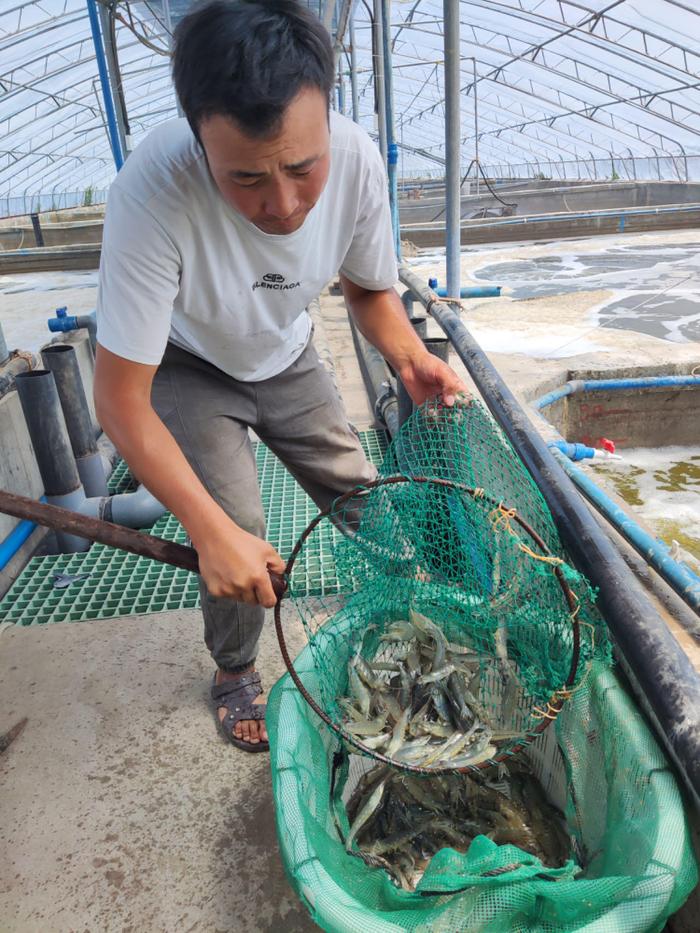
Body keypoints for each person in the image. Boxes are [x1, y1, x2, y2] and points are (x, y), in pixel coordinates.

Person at [94, 0, 466, 753]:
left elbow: (368, 289)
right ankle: (234, 668)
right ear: (199, 140)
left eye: (302, 167)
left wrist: (406, 356)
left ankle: (414, 631)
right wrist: (209, 530)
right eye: (247, 179)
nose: (285, 203)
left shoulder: (359, 161)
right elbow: (119, 398)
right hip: (186, 363)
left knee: (369, 498)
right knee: (237, 529)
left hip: (287, 352)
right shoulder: (151, 192)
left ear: (327, 113)